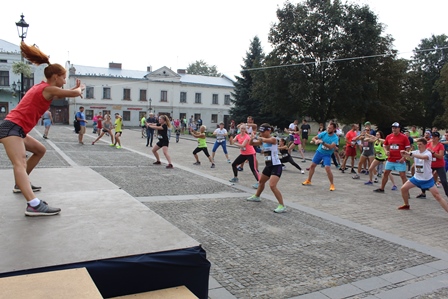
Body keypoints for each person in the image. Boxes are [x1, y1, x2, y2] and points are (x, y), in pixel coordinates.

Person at [0, 41, 84, 216]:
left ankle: (19, 184)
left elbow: (67, 92)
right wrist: (78, 89)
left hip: (18, 129)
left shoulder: (43, 86)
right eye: (63, 78)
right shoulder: (47, 89)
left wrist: (73, 89)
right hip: (11, 128)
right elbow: (73, 94)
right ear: (55, 77)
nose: (64, 81)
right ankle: (33, 205)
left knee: (40, 150)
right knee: (20, 162)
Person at [398, 138, 448, 213]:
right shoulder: (416, 152)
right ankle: (406, 205)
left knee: (437, 196)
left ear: (425, 145)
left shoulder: (428, 153)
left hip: (427, 179)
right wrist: (404, 154)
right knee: (403, 189)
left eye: (420, 144)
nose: (418, 146)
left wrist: (411, 154)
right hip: (416, 178)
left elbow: (423, 157)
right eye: (418, 144)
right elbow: (409, 155)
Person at [246, 124, 287, 213]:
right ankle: (257, 196)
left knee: (272, 185)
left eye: (263, 132)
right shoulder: (263, 140)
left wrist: (257, 136)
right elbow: (251, 143)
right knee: (261, 182)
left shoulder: (273, 139)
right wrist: (252, 138)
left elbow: (264, 139)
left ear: (268, 131)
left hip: (276, 166)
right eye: (260, 132)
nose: (261, 133)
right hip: (268, 165)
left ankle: (282, 205)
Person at [373, 122, 410, 193]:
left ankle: (406, 192)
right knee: (386, 172)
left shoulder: (404, 137)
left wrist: (404, 157)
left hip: (400, 160)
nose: (394, 129)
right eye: (393, 128)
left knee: (402, 175)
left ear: (399, 129)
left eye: (396, 128)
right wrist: (386, 151)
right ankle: (382, 188)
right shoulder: (389, 136)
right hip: (391, 159)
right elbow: (384, 145)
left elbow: (407, 148)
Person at [302, 122, 339, 191]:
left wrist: (322, 142)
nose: (328, 129)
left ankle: (332, 184)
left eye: (330, 128)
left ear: (334, 129)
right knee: (312, 166)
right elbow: (314, 138)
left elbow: (331, 147)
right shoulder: (324, 133)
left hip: (327, 154)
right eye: (328, 127)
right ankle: (309, 180)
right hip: (319, 152)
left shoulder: (335, 138)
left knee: (327, 168)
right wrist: (316, 140)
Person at [415, 132, 448, 199]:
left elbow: (440, 156)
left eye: (435, 137)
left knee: (444, 180)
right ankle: (423, 193)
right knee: (423, 177)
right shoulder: (428, 144)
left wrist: (432, 152)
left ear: (438, 138)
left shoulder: (440, 145)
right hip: (430, 164)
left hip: (439, 165)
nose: (433, 138)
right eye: (432, 136)